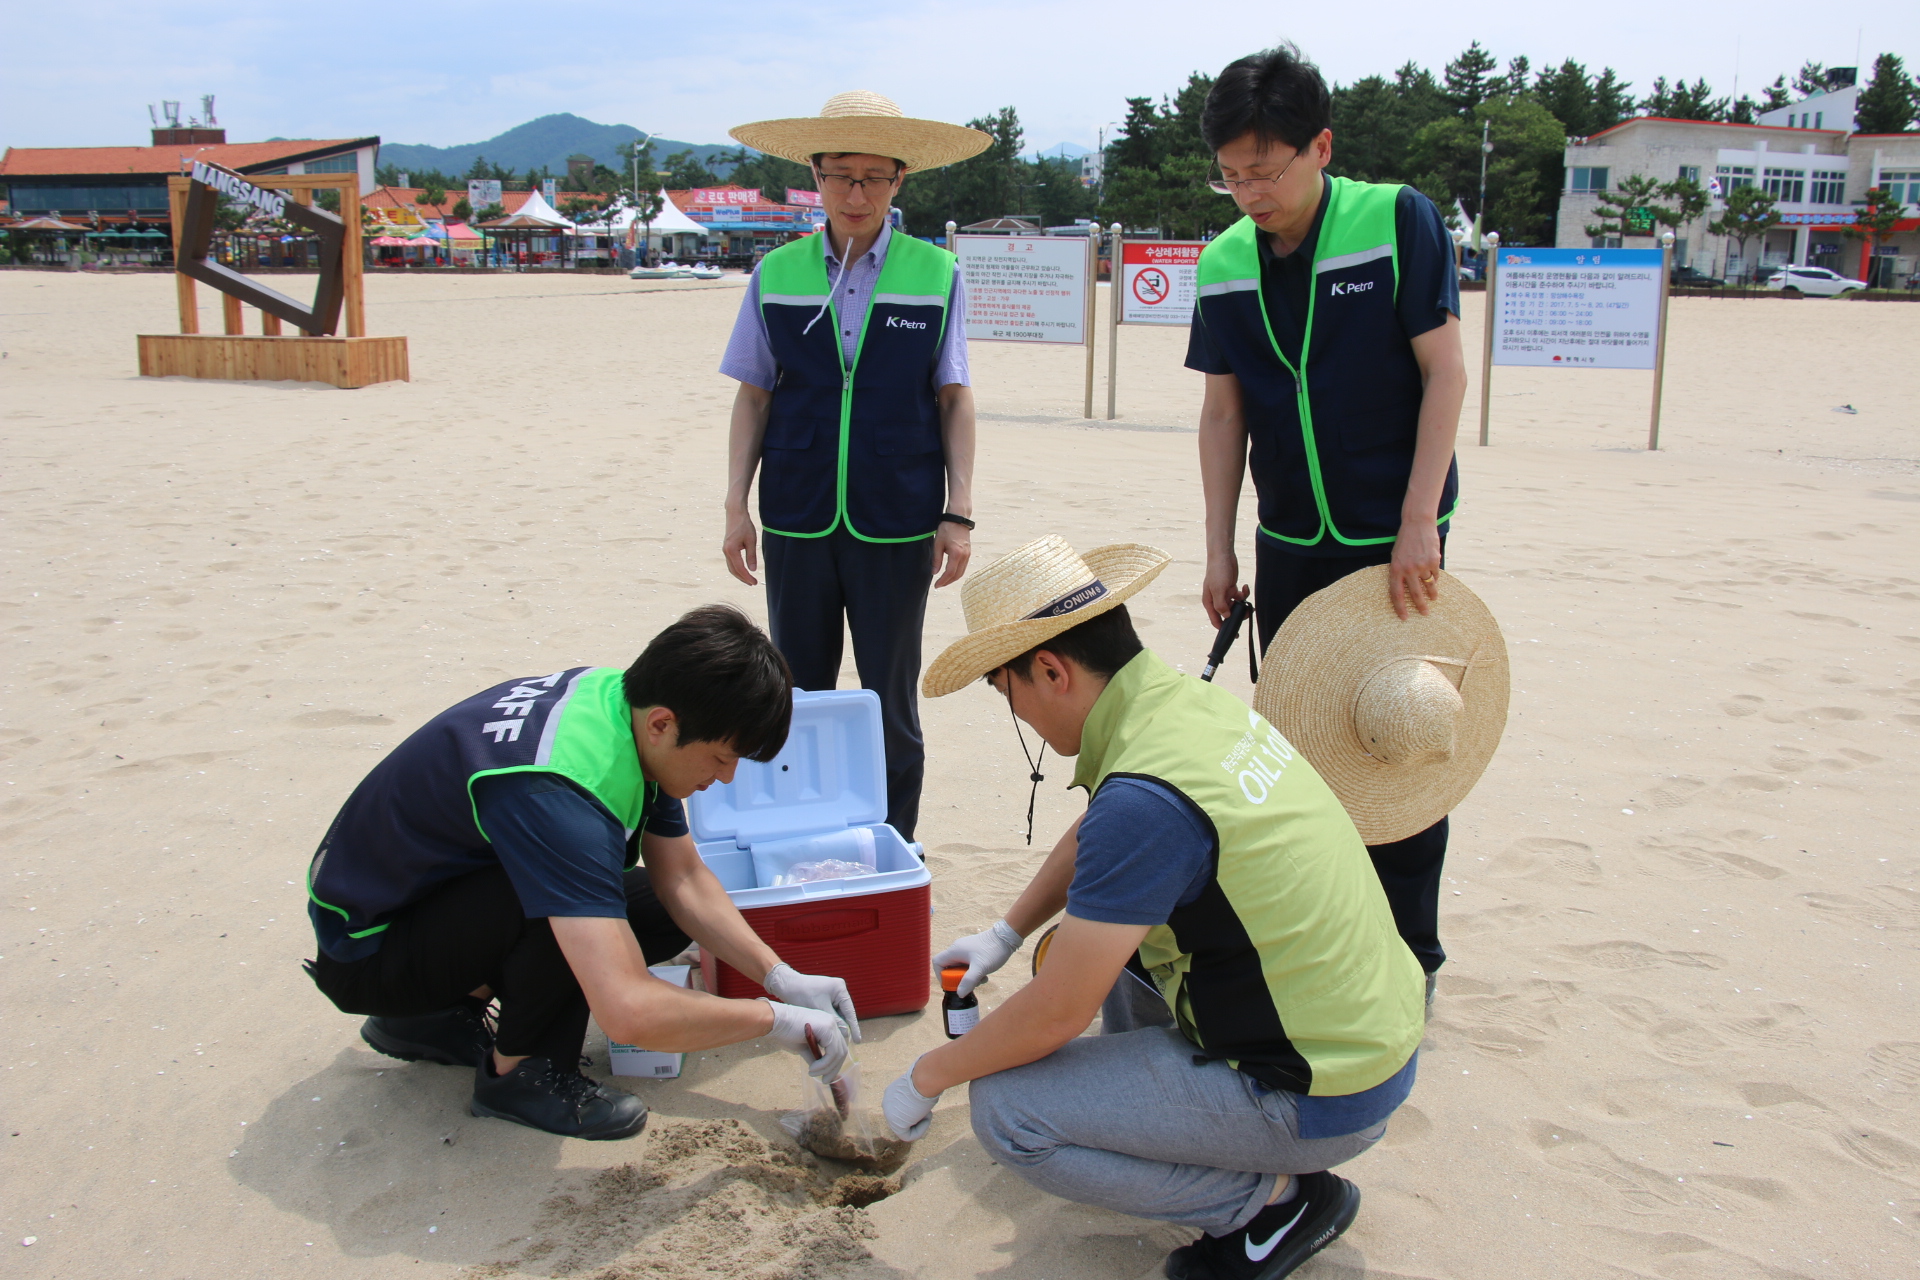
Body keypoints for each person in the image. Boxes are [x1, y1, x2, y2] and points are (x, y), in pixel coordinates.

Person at [884, 537, 1424, 1280]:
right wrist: (1008, 933)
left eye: (1005, 693)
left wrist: (927, 1076)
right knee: (1106, 944)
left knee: (1008, 1112)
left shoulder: (1145, 798)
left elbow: (1055, 1013)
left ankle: (1267, 1205)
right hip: (1373, 1040)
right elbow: (1106, 831)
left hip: (1317, 1094)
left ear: (1050, 670)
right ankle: (1193, 1128)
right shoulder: (1181, 707)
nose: (1016, 713)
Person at [303, 605, 858, 1140]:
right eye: (720, 758)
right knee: (558, 904)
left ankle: (435, 1017)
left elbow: (684, 878)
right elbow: (627, 1013)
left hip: (429, 909)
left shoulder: (628, 710)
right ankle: (519, 1075)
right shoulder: (561, 790)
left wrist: (780, 975)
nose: (728, 776)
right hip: (370, 952)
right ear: (665, 724)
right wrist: (775, 1020)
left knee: (650, 907)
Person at [1186, 44, 1469, 999]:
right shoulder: (1224, 261)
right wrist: (1221, 544)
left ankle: (1412, 956)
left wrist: (1419, 518)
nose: (1248, 192)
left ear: (1320, 146)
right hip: (1290, 543)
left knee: (1403, 733)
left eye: (1265, 170)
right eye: (1230, 175)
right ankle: (1335, 946)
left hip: (1397, 541)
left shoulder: (1397, 221)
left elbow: (1446, 373)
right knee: (1302, 747)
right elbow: (1224, 413)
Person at [718, 91, 991, 840]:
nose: (857, 193)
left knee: (889, 702)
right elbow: (753, 395)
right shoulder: (776, 273)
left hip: (898, 516)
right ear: (815, 176)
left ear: (900, 179)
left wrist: (957, 512)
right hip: (798, 516)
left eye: (875, 176)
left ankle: (893, 841)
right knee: (794, 696)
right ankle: (800, 838)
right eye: (842, 175)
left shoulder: (936, 273)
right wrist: (736, 505)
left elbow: (954, 399)